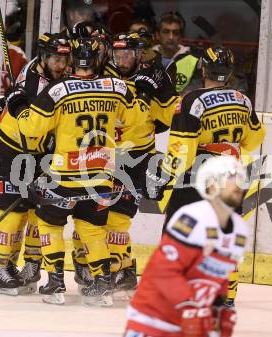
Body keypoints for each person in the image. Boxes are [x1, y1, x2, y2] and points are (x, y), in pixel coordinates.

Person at [5, 24, 154, 306]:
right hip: (101, 177)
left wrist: (18, 105)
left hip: (65, 178)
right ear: (98, 59)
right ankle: (101, 286)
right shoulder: (117, 87)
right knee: (92, 228)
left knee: (49, 225)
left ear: (73, 59)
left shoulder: (58, 90)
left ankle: (56, 284)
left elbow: (32, 129)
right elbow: (137, 122)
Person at [144, 46, 265, 306]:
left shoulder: (192, 101)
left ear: (203, 69)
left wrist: (163, 177)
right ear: (230, 72)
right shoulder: (242, 100)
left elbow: (182, 150)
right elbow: (255, 138)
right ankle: (225, 295)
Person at [0, 33, 71, 297]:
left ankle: (31, 263)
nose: (61, 64)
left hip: (41, 150)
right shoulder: (34, 81)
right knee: (13, 206)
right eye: (55, 58)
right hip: (12, 147)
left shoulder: (53, 75)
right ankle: (0, 266)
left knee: (38, 209)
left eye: (65, 58)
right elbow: (22, 99)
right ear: (43, 57)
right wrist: (3, 101)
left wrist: (1, 99)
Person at [124, 155, 248, 337]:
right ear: (211, 185)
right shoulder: (192, 218)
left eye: (240, 177)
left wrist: (219, 308)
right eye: (230, 177)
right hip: (154, 318)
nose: (237, 183)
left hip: (190, 320)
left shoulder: (239, 230)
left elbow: (218, 277)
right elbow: (163, 272)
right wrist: (188, 305)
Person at [96, 31, 178, 299]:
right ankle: (123, 269)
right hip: (106, 156)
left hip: (137, 158)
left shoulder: (153, 76)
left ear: (138, 54)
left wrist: (163, 85)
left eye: (127, 55)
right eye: (118, 54)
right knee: (100, 217)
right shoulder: (104, 73)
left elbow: (166, 121)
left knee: (119, 218)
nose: (121, 59)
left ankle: (119, 269)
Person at [153, 11, 201, 94]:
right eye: (166, 32)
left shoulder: (193, 58)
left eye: (175, 33)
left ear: (180, 36)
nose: (171, 37)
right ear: (157, 35)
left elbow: (195, 90)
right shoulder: (148, 56)